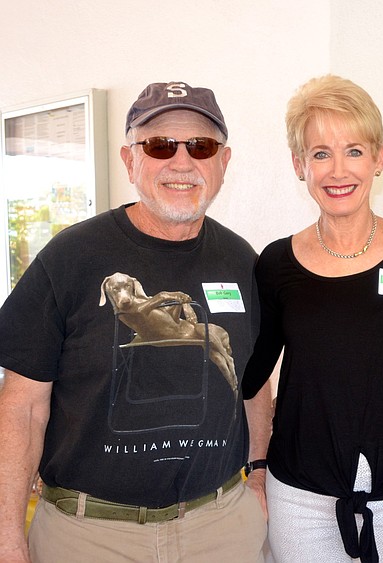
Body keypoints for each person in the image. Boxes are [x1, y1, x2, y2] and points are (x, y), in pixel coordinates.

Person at [0, 81, 271, 562]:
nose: (181, 162)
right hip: (91, 537)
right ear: (130, 161)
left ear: (223, 163)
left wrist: (262, 473)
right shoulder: (70, 259)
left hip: (219, 529)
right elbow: (21, 408)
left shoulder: (242, 261)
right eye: (160, 145)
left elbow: (252, 384)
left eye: (201, 146)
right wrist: (6, 539)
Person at [241, 74, 383, 563]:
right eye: (320, 153)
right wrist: (256, 467)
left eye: (354, 151)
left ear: (379, 158)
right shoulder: (276, 264)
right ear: (300, 165)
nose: (339, 170)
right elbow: (253, 378)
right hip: (300, 496)